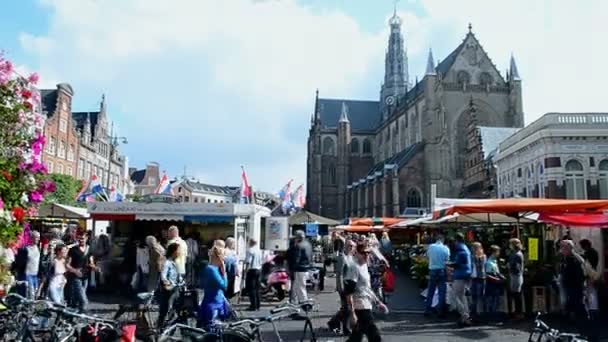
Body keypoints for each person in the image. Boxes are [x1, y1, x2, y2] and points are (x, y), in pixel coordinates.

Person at [346, 243, 388, 342]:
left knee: (356, 337)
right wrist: (352, 313)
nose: (366, 255)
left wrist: (378, 302)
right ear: (357, 253)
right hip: (359, 305)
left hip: (367, 302)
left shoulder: (364, 266)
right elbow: (348, 291)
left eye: (368, 253)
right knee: (374, 336)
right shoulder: (353, 267)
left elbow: (367, 288)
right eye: (363, 253)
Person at [559, 240, 588, 337]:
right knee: (574, 308)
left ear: (568, 248)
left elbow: (581, 275)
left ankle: (585, 332)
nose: (561, 250)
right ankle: (580, 330)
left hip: (576, 288)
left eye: (562, 247)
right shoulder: (567, 258)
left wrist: (574, 284)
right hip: (571, 288)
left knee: (580, 309)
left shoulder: (575, 259)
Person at [328, 239, 356, 336]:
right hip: (344, 286)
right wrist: (340, 287)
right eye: (349, 246)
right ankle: (346, 329)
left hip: (351, 285)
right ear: (345, 247)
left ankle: (333, 322)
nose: (350, 248)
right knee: (347, 308)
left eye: (352, 246)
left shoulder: (352, 257)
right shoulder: (342, 258)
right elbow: (339, 274)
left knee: (346, 307)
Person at [198, 245, 230, 328]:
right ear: (218, 257)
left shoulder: (211, 269)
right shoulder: (212, 270)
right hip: (213, 304)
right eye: (223, 256)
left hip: (216, 302)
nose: (224, 259)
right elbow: (224, 285)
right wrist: (224, 272)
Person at [66, 232, 95, 312]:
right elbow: (67, 265)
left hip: (85, 277)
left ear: (86, 238)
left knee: (77, 298)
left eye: (82, 238)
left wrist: (94, 267)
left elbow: (91, 262)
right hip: (75, 277)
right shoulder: (73, 250)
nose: (80, 240)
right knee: (83, 299)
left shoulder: (89, 249)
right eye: (79, 238)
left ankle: (74, 314)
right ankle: (83, 314)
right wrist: (75, 271)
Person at [424, 234, 450, 317]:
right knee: (441, 292)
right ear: (443, 240)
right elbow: (447, 260)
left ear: (436, 239)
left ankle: (427, 310)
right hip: (442, 271)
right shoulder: (446, 248)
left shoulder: (431, 247)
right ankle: (440, 311)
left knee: (430, 291)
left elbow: (427, 256)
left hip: (432, 270)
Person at [157, 243, 182, 328]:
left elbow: (178, 277)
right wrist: (167, 283)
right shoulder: (167, 263)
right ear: (174, 252)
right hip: (169, 292)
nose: (180, 252)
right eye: (179, 250)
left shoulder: (173, 263)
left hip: (175, 291)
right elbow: (163, 276)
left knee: (174, 312)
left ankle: (168, 328)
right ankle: (160, 330)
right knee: (165, 312)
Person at [579, 239, 599, 319]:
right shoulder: (594, 252)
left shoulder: (588, 253)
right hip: (594, 273)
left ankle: (592, 311)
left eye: (582, 246)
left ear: (586, 245)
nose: (582, 248)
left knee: (590, 293)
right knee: (592, 292)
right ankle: (593, 310)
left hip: (590, 274)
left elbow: (585, 263)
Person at [292, 230, 313, 305]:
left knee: (300, 286)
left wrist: (293, 266)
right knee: (298, 285)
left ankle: (304, 301)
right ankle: (294, 299)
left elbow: (297, 258)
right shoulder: (308, 244)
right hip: (307, 267)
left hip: (300, 267)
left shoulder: (299, 245)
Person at [484, 245, 504, 322]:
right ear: (493, 252)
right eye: (497, 252)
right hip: (492, 284)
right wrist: (497, 279)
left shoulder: (494, 261)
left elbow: (497, 272)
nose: (498, 253)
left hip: (496, 284)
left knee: (496, 300)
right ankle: (491, 317)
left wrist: (501, 276)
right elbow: (488, 275)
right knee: (492, 300)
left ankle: (494, 316)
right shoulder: (489, 262)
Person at [508, 238, 524, 320]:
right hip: (516, 275)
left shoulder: (516, 254)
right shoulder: (517, 253)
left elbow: (517, 267)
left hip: (516, 275)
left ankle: (519, 313)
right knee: (517, 294)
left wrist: (510, 267)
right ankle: (518, 312)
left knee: (516, 295)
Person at [244, 238, 262, 311]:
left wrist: (245, 270)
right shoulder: (258, 251)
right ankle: (258, 305)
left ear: (250, 242)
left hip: (252, 270)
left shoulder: (250, 250)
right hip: (258, 269)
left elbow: (248, 261)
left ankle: (253, 305)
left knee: (251, 288)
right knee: (257, 288)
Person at [469, 242, 486, 318]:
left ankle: (480, 312)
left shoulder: (483, 256)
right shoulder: (471, 256)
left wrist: (477, 257)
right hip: (474, 278)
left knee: (480, 295)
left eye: (473, 248)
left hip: (480, 278)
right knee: (474, 295)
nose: (472, 249)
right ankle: (474, 312)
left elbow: (481, 266)